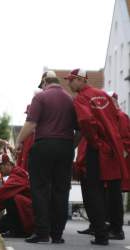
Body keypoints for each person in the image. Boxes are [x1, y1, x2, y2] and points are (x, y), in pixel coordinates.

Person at [65, 69, 128, 245]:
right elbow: (116, 118)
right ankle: (111, 229)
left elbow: (86, 122)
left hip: (98, 149)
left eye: (71, 81)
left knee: (95, 191)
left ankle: (101, 234)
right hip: (113, 148)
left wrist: (95, 143)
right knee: (112, 190)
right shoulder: (103, 95)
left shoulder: (81, 98)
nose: (69, 84)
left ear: (79, 79)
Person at [16, 70, 77, 244]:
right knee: (61, 189)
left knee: (40, 189)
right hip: (65, 146)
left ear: (44, 83)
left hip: (44, 146)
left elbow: (31, 123)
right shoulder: (69, 99)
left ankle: (42, 233)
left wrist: (19, 141)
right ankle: (57, 234)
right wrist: (72, 146)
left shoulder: (40, 97)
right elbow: (79, 128)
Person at [0, 153, 34, 237]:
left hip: (30, 213)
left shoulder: (18, 174)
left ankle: (19, 231)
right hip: (26, 211)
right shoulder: (15, 174)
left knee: (12, 199)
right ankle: (16, 229)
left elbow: (1, 193)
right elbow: (0, 201)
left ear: (7, 164)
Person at [16, 105, 34, 171]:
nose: (27, 116)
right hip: (24, 166)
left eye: (28, 114)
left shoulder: (37, 133)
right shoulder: (25, 131)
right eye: (27, 114)